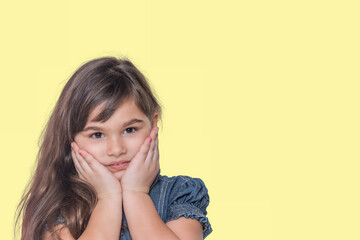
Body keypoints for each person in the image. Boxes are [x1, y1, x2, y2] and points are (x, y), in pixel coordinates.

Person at [15, 57, 212, 240]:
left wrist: (137, 193)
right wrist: (108, 199)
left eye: (129, 130)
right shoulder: (59, 207)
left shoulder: (181, 193)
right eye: (97, 135)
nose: (116, 149)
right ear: (70, 138)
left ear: (153, 124)